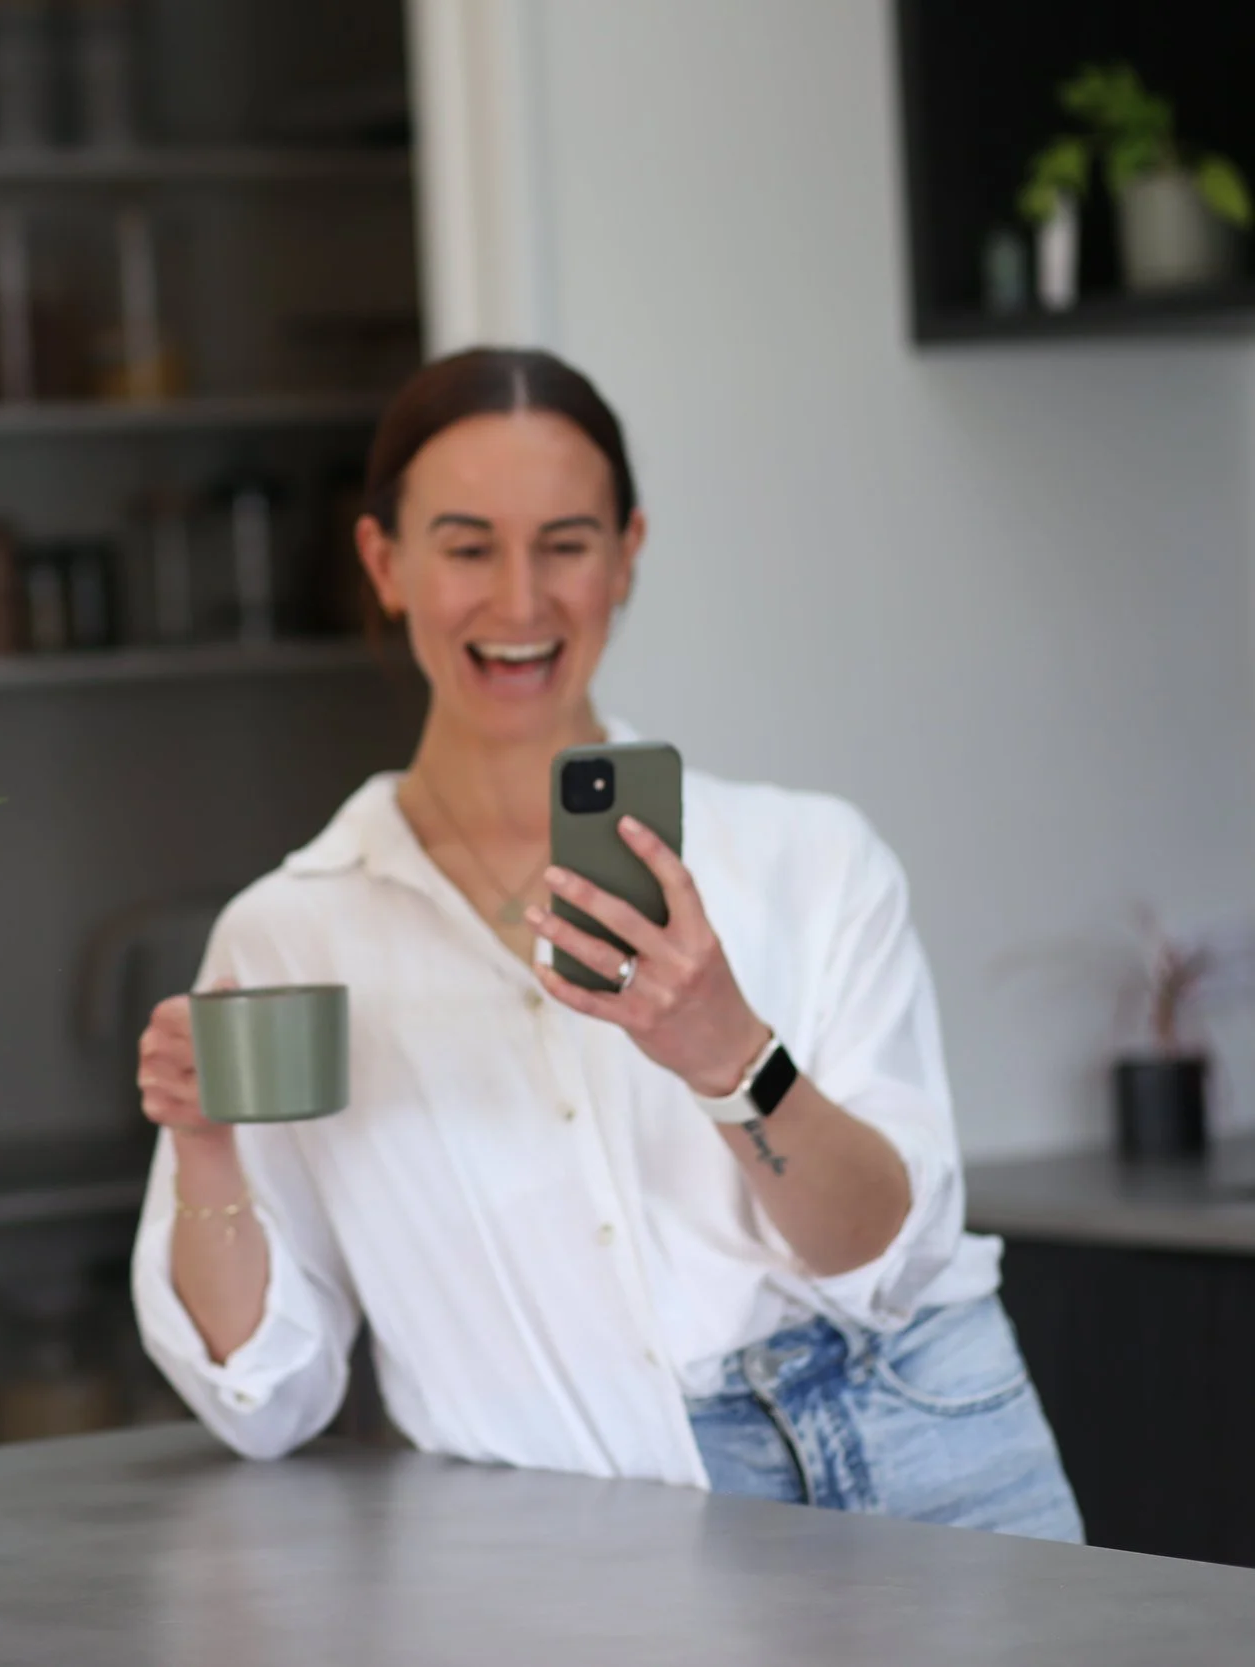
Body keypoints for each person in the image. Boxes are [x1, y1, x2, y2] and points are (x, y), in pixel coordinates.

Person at [129, 348, 1080, 1539]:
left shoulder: (810, 859)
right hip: (608, 1518)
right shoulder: (290, 933)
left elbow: (884, 1261)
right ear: (385, 562)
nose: (520, 602)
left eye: (566, 544)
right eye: (468, 546)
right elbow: (265, 1397)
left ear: (627, 554)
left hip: (926, 1440)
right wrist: (209, 1148)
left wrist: (726, 1051)